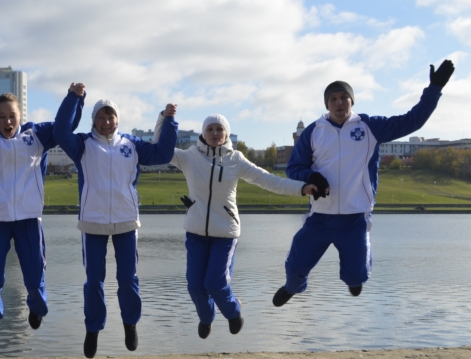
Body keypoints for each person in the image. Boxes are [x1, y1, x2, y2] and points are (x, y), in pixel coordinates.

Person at [274, 59, 455, 307]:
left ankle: (355, 277)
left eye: (343, 98)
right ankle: (292, 287)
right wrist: (312, 177)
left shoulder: (370, 126)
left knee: (356, 275)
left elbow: (412, 121)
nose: (339, 103)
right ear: (327, 104)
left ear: (351, 101)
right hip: (320, 217)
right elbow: (294, 168)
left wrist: (434, 88)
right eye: (333, 99)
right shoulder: (314, 131)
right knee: (295, 265)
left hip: (355, 217)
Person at [153, 112, 316, 339]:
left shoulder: (235, 159)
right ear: (203, 132)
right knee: (195, 286)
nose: (214, 134)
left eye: (219, 129)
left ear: (226, 133)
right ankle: (207, 317)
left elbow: (268, 179)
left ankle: (234, 311)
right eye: (210, 129)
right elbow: (159, 148)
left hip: (225, 232)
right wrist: (164, 119)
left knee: (215, 283)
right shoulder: (189, 156)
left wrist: (301, 187)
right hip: (195, 232)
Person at [53, 82, 178, 358]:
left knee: (127, 278)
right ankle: (93, 328)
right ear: (94, 120)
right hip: (93, 222)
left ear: (117, 119)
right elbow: (60, 132)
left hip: (125, 221)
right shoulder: (82, 145)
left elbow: (163, 154)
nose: (106, 121)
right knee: (94, 280)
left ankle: (130, 323)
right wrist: (74, 98)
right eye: (101, 116)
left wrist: (169, 122)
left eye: (111, 117)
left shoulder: (131, 145)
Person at [0, 79, 81, 331]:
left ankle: (36, 307)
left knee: (34, 274)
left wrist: (73, 98)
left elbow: (67, 127)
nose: (7, 122)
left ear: (20, 115)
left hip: (28, 218)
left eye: (12, 116)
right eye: (2, 116)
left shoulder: (37, 135)